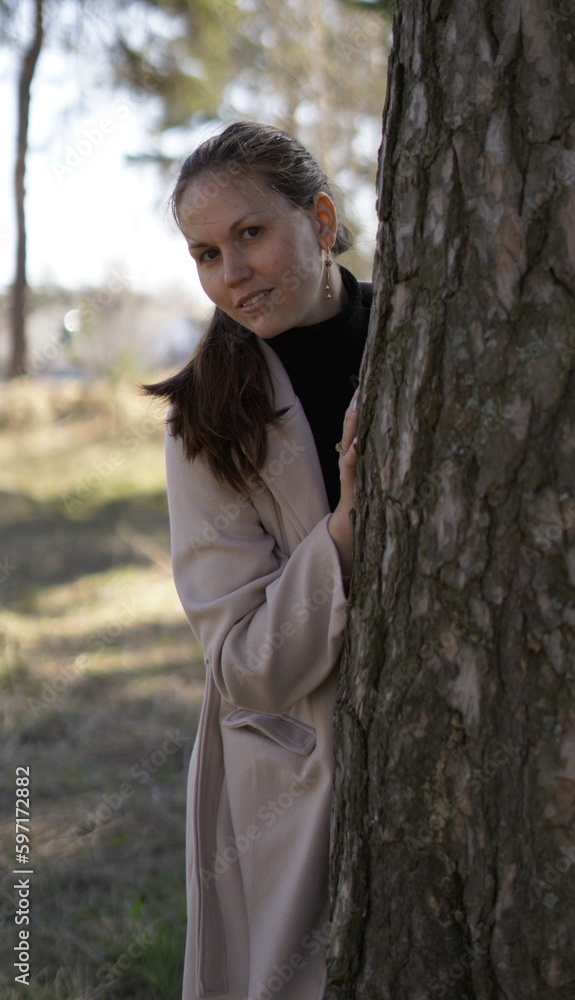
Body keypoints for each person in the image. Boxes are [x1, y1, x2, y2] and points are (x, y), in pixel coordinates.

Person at [144, 120, 372, 1000]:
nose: (231, 273)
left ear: (321, 220)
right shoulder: (206, 420)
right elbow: (243, 665)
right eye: (206, 253)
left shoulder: (426, 339)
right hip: (291, 767)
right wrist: (343, 534)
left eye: (251, 233)